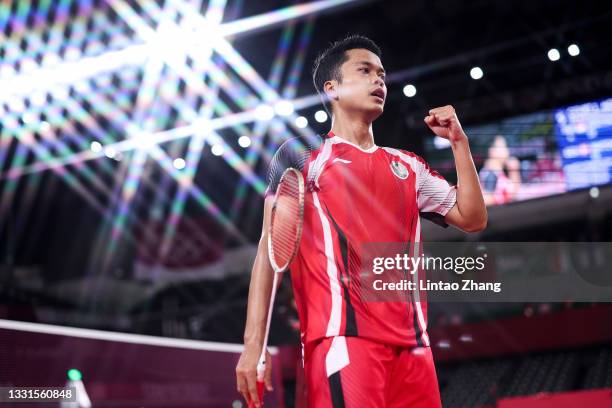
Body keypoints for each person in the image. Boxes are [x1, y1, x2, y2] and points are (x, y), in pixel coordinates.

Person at [236, 35, 487, 408]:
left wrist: (459, 143)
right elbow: (270, 251)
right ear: (332, 88)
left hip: (416, 348)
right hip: (343, 341)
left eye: (382, 75)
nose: (379, 81)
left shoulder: (408, 165)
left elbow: (472, 217)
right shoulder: (303, 156)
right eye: (365, 71)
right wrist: (253, 345)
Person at [479, 135, 522, 205]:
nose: (507, 150)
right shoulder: (491, 174)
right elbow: (486, 199)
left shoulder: (496, 173)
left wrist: (514, 171)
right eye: (502, 147)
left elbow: (513, 193)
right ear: (492, 151)